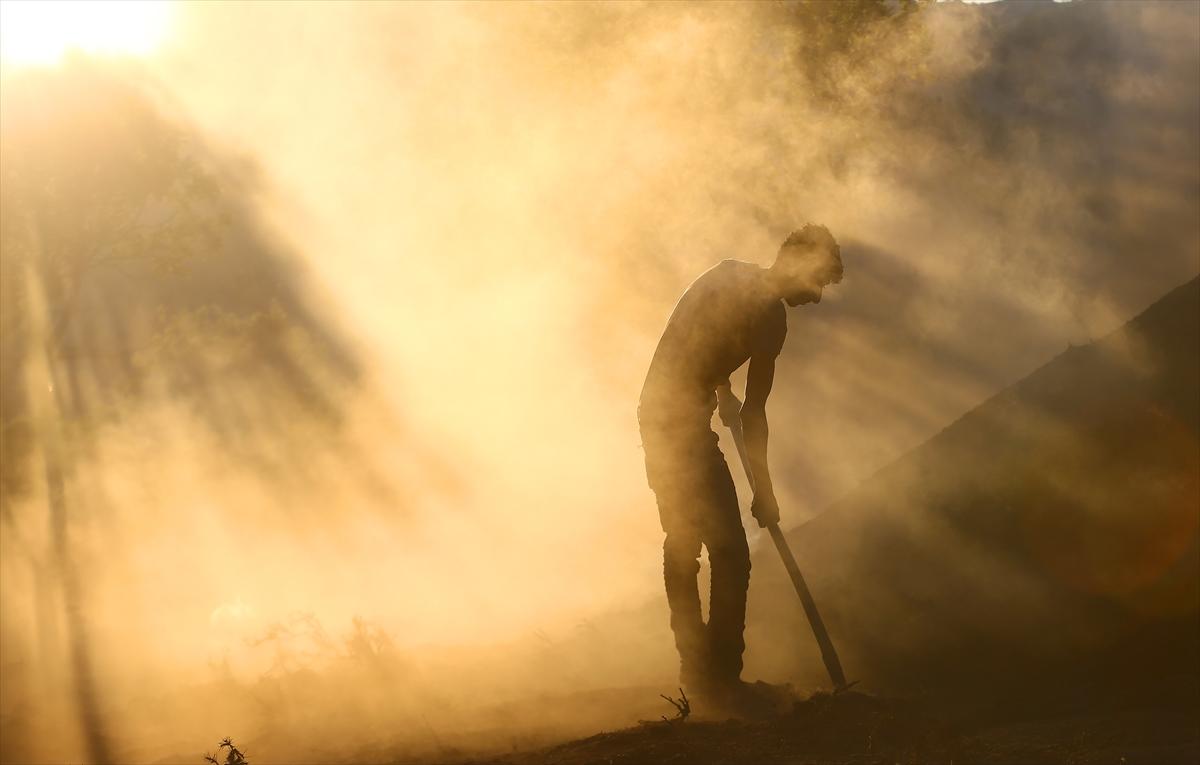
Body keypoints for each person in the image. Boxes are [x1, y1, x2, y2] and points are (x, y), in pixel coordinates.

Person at [637, 224, 843, 710]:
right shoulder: (770, 318)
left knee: (684, 544)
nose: (815, 299)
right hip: (680, 427)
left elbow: (699, 339)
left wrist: (719, 386)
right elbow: (755, 414)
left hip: (655, 413)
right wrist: (764, 492)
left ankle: (700, 674)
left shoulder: (727, 275)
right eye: (817, 285)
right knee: (730, 553)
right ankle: (719, 678)